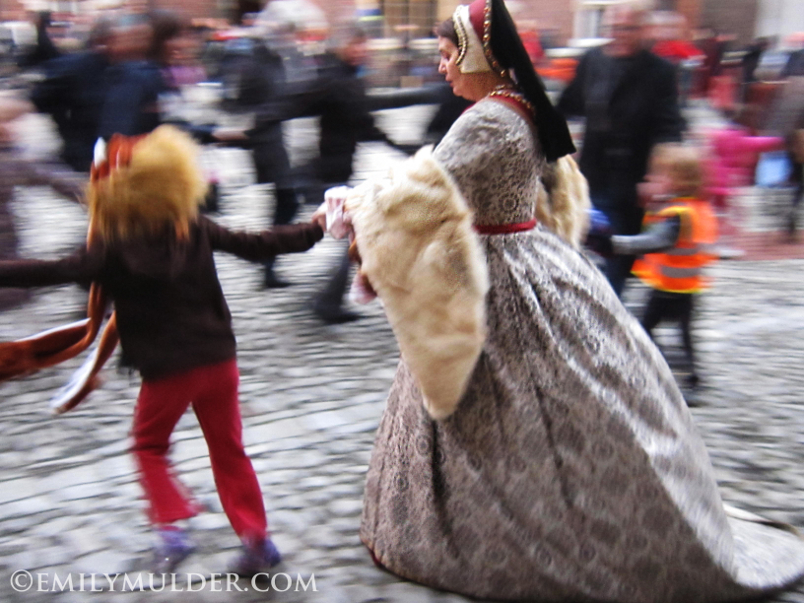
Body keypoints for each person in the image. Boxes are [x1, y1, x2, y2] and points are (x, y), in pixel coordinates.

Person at [314, 0, 804, 600]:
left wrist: (348, 205)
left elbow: (419, 197)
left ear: (476, 55)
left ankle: (515, 527)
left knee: (502, 408)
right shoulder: (518, 105)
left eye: (447, 56)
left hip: (500, 274)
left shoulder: (489, 119)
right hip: (532, 260)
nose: (441, 69)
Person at [0, 125, 324, 576]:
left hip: (168, 370)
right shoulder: (190, 226)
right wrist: (314, 229)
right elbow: (257, 244)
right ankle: (258, 541)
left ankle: (172, 531)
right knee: (229, 451)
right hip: (218, 361)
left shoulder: (110, 249)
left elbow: (51, 271)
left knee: (149, 445)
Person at [558, 4, 684, 297]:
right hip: (592, 176)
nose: (618, 35)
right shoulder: (592, 61)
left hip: (632, 182)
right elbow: (567, 107)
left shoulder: (660, 72)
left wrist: (659, 175)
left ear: (644, 31)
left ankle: (604, 324)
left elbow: (670, 126)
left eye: (627, 28)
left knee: (616, 265)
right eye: (613, 28)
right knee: (585, 254)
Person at [589, 143, 718, 393]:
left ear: (679, 181)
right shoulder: (690, 209)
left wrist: (613, 244)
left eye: (659, 175)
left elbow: (654, 241)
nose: (650, 178)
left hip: (673, 290)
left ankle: (682, 378)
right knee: (673, 334)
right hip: (680, 288)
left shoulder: (677, 215)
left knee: (656, 332)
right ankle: (675, 374)